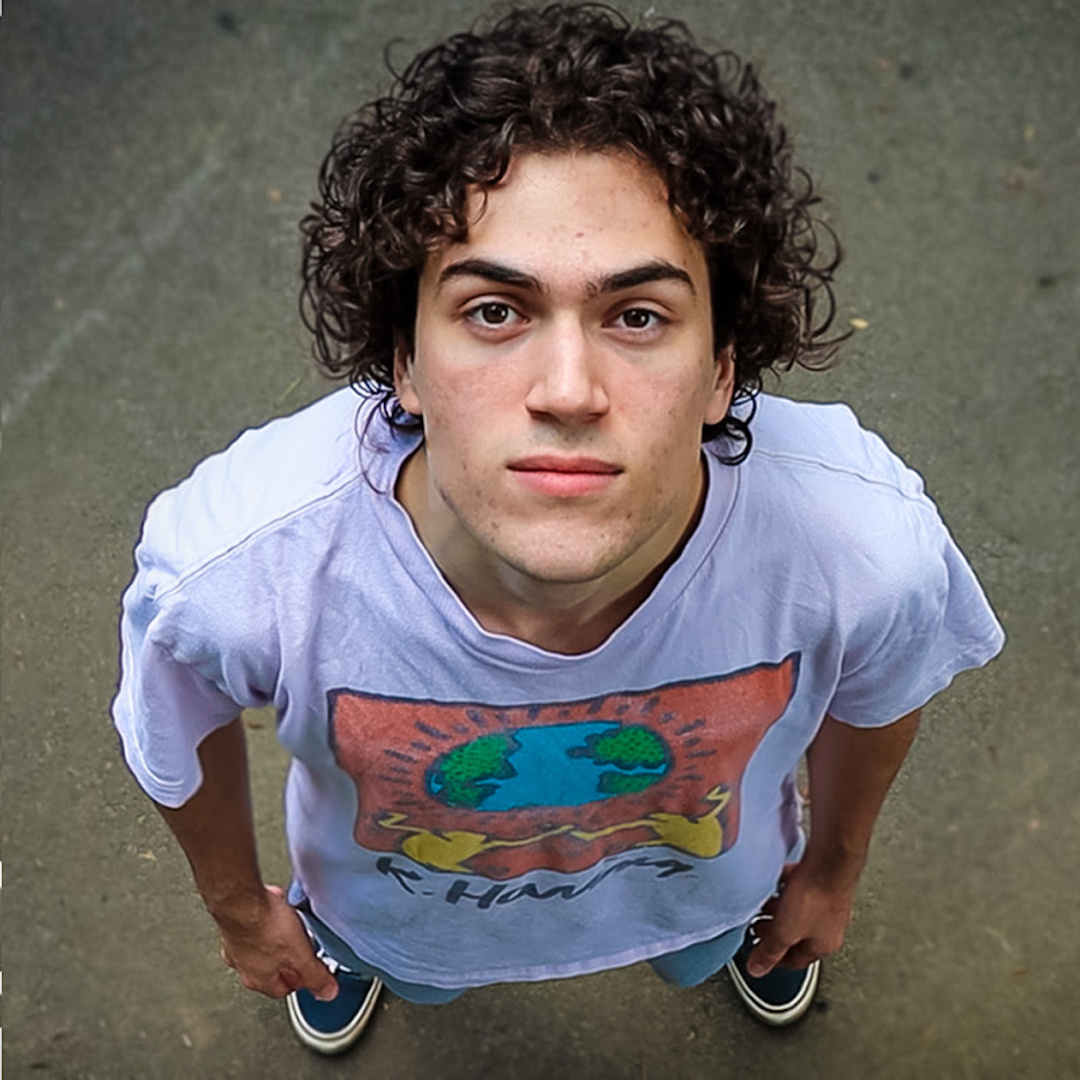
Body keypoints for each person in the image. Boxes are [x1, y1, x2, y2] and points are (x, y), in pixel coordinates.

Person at [112, 2, 1005, 1056]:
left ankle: (746, 942)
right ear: (402, 363)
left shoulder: (863, 548)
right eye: (495, 311)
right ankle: (353, 959)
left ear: (723, 369)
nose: (570, 390)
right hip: (396, 920)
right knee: (400, 966)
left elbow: (879, 694)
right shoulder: (233, 575)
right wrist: (241, 913)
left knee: (710, 945)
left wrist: (827, 877)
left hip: (713, 895)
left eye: (638, 315)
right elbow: (175, 734)